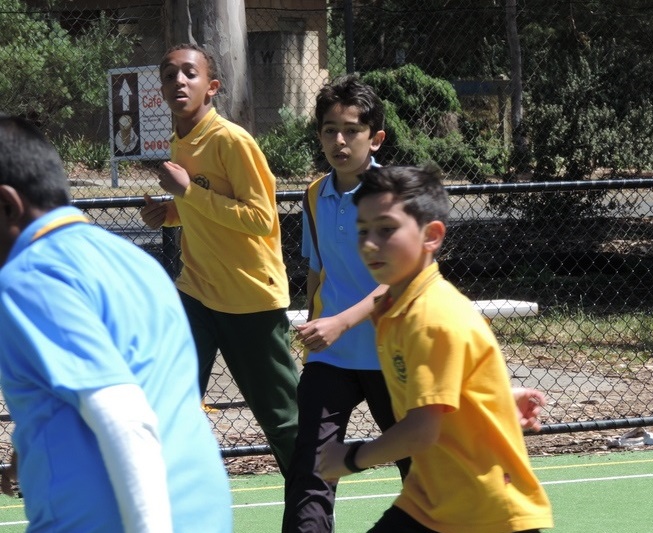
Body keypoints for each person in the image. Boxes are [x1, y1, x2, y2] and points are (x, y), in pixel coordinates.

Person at [0, 114, 232, 532]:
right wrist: (29, 450)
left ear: (7, 205)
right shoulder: (135, 263)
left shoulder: (28, 277)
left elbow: (123, 417)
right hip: (203, 513)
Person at [318, 164, 554, 533]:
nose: (369, 243)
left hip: (485, 511)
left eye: (386, 229)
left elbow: (420, 431)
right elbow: (447, 390)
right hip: (430, 501)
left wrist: (349, 457)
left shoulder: (431, 316)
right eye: (363, 230)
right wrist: (494, 400)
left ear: (432, 236)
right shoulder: (396, 307)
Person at [139, 43, 299, 475]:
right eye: (169, 74)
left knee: (285, 424)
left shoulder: (231, 139)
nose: (178, 81)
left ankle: (312, 505)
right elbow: (203, 208)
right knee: (171, 407)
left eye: (189, 74)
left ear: (211, 87)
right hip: (196, 294)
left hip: (250, 301)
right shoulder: (179, 140)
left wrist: (189, 192)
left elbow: (260, 218)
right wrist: (170, 213)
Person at [282, 75, 410, 532]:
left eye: (352, 130)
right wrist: (319, 331)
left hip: (391, 352)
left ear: (374, 137)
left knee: (423, 472)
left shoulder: (393, 195)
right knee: (310, 471)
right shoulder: (314, 195)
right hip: (330, 358)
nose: (340, 140)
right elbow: (319, 273)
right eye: (329, 129)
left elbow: (402, 281)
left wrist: (341, 321)